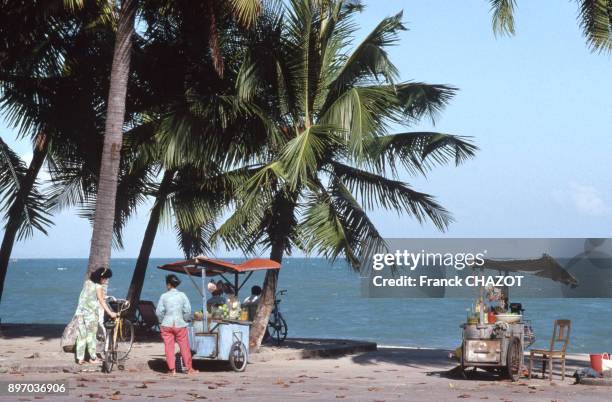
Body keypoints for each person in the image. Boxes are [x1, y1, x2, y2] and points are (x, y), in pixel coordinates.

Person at [74, 267, 117, 365]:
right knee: (91, 336)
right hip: (91, 314)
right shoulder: (98, 286)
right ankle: (93, 358)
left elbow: (88, 296)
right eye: (106, 278)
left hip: (80, 312)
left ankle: (79, 358)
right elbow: (101, 301)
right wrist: (110, 313)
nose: (106, 281)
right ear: (101, 277)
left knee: (81, 335)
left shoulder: (87, 283)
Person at [156, 274, 196, 375]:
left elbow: (159, 312)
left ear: (168, 285)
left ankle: (171, 369)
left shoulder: (163, 296)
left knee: (169, 347)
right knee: (184, 346)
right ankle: (189, 368)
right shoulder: (182, 295)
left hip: (166, 324)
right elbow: (187, 310)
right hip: (180, 324)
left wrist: (161, 321)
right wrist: (186, 319)